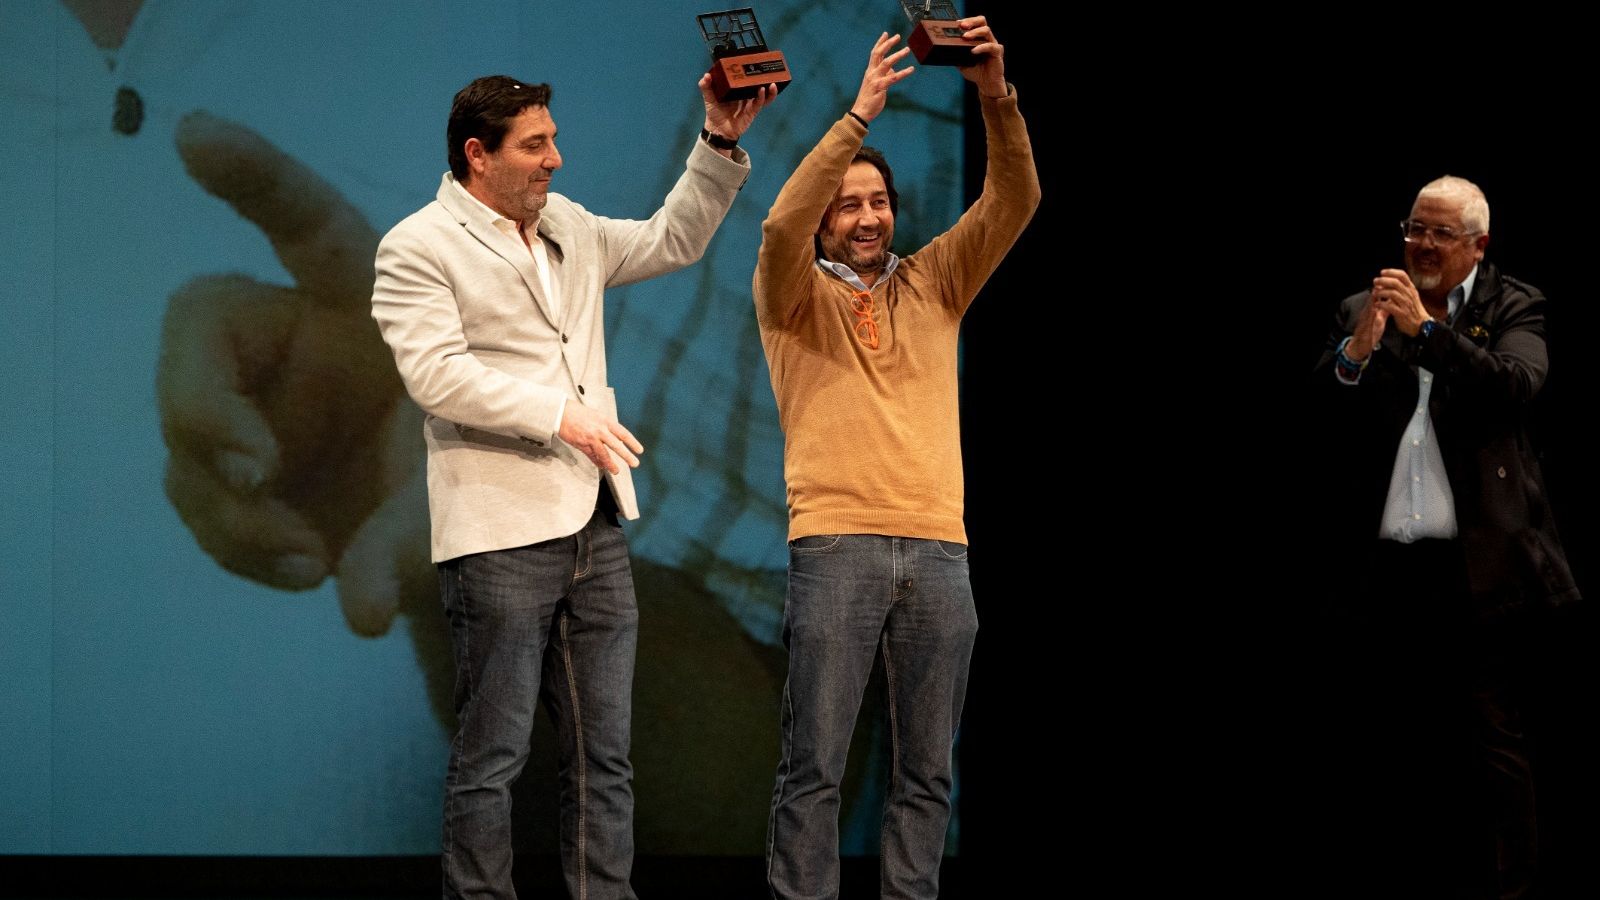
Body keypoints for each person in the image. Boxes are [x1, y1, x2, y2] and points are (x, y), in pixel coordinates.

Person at [370, 73, 772, 899]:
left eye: (553, 139)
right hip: (499, 533)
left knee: (605, 755)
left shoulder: (570, 226)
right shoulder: (418, 245)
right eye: (535, 145)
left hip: (594, 527)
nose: (557, 158)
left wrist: (720, 143)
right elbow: (438, 376)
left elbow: (672, 241)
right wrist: (561, 414)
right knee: (494, 756)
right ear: (477, 156)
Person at [752, 19, 1039, 899]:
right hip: (837, 546)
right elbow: (776, 224)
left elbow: (1014, 200)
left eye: (877, 201)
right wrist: (858, 119)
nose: (868, 216)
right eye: (848, 204)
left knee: (927, 776)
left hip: (939, 552)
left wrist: (994, 91)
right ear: (826, 220)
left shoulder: (935, 282)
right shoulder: (791, 294)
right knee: (816, 773)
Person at [1311, 175, 1580, 898]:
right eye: (1414, 228)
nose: (1421, 245)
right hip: (1388, 561)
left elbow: (1516, 386)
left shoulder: (1512, 303)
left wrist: (1426, 334)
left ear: (1478, 245)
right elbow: (1324, 418)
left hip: (1484, 561)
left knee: (1494, 739)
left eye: (1439, 234)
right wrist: (1356, 352)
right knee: (1389, 731)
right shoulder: (1361, 305)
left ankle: (1509, 888)